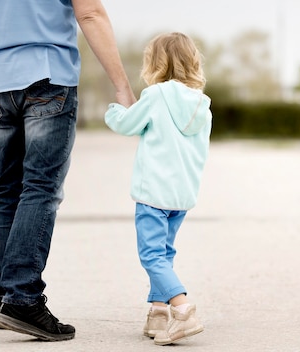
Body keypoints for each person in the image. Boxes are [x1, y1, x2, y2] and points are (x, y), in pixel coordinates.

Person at [0, 0, 136, 342]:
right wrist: (121, 85)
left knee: (7, 191)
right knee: (40, 188)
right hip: (48, 77)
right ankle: (22, 298)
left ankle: (7, 297)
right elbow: (90, 13)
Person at [104, 32, 211, 346]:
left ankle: (183, 309)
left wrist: (113, 110)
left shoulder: (156, 95)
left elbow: (127, 124)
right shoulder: (202, 105)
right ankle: (158, 312)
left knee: (152, 256)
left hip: (153, 194)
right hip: (181, 196)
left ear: (155, 63)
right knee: (164, 253)